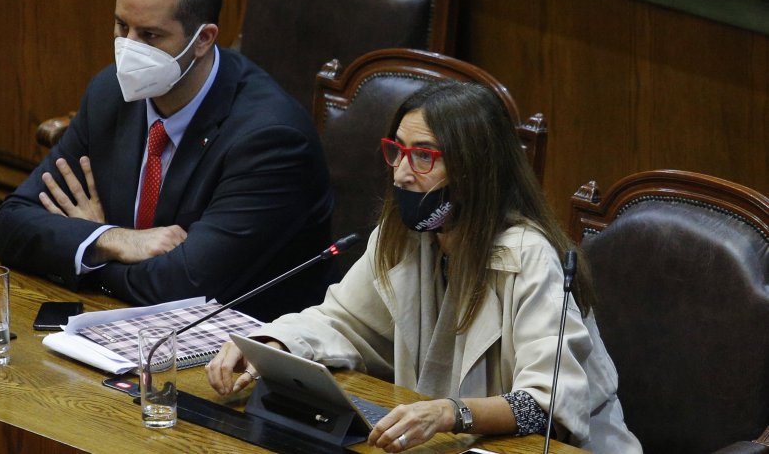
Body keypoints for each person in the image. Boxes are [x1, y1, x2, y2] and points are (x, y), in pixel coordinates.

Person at [206, 81, 642, 453]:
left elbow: (546, 405)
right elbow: (343, 323)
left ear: (473, 171)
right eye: (396, 151)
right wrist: (273, 343)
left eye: (424, 156)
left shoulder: (530, 256)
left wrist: (450, 412)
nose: (400, 174)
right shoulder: (406, 236)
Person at [0, 0, 336, 321]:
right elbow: (12, 224)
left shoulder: (271, 139)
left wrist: (87, 247)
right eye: (122, 26)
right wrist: (113, 239)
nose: (128, 50)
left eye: (150, 35)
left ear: (203, 39)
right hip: (119, 324)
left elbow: (182, 285)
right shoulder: (111, 93)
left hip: (236, 351)